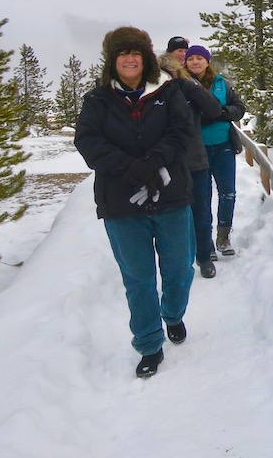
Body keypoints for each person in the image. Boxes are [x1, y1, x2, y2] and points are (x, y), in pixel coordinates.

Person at [74, 26, 195, 378]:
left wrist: (154, 160)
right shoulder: (97, 100)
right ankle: (149, 343)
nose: (129, 58)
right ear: (112, 60)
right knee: (139, 278)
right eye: (122, 53)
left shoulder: (168, 92)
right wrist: (130, 167)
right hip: (122, 203)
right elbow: (88, 141)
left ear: (145, 57)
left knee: (178, 269)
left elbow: (182, 131)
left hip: (170, 195)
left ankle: (172, 313)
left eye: (135, 52)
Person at [158, 51, 223, 279]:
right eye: (164, 74)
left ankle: (204, 256)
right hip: (165, 164)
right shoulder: (152, 94)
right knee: (171, 216)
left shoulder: (188, 87)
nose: (168, 78)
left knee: (201, 212)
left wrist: (189, 84)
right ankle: (178, 260)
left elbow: (214, 109)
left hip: (194, 160)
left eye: (172, 73)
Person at [184, 45, 246, 257]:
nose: (195, 62)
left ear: (207, 61)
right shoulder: (182, 85)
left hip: (223, 147)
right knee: (201, 197)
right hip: (196, 150)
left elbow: (239, 109)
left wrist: (220, 113)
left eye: (199, 58)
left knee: (227, 193)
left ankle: (223, 236)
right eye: (191, 58)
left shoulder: (222, 84)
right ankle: (205, 244)